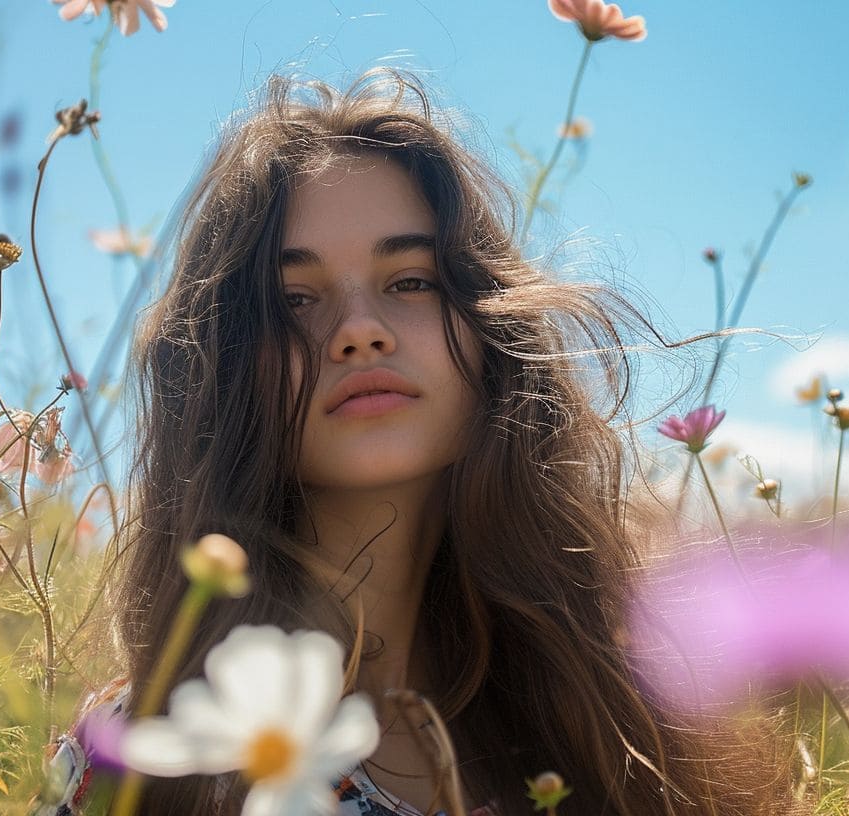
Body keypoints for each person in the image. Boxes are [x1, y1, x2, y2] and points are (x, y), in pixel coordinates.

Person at [53, 67, 793, 816]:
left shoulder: (616, 714)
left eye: (411, 281)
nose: (358, 331)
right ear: (223, 369)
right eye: (293, 301)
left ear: (490, 330)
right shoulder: (152, 759)